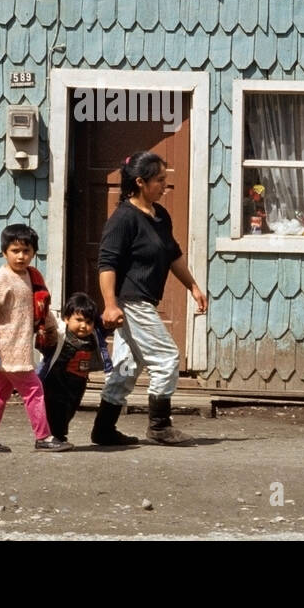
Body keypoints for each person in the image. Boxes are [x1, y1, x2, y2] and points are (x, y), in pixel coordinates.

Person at [93, 151, 207, 446]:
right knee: (167, 357)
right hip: (132, 302)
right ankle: (159, 426)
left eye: (166, 180)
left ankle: (103, 429)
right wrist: (110, 304)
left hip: (142, 301)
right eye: (159, 180)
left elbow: (173, 255)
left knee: (127, 368)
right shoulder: (123, 219)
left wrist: (192, 286)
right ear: (141, 182)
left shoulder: (159, 216)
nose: (164, 186)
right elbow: (106, 264)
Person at [0, 223, 72, 453]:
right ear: (4, 251)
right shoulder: (1, 280)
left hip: (17, 350)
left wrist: (52, 332)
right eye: (15, 251)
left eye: (26, 251)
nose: (21, 256)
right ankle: (43, 437)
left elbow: (42, 308)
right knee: (34, 390)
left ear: (34, 252)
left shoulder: (33, 277)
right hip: (6, 350)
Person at [39, 292, 101, 444]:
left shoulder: (92, 338)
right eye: (78, 320)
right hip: (58, 379)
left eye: (88, 322)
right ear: (66, 318)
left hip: (78, 381)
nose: (83, 326)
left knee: (70, 409)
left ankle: (58, 434)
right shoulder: (61, 335)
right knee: (55, 408)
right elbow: (45, 344)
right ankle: (56, 436)